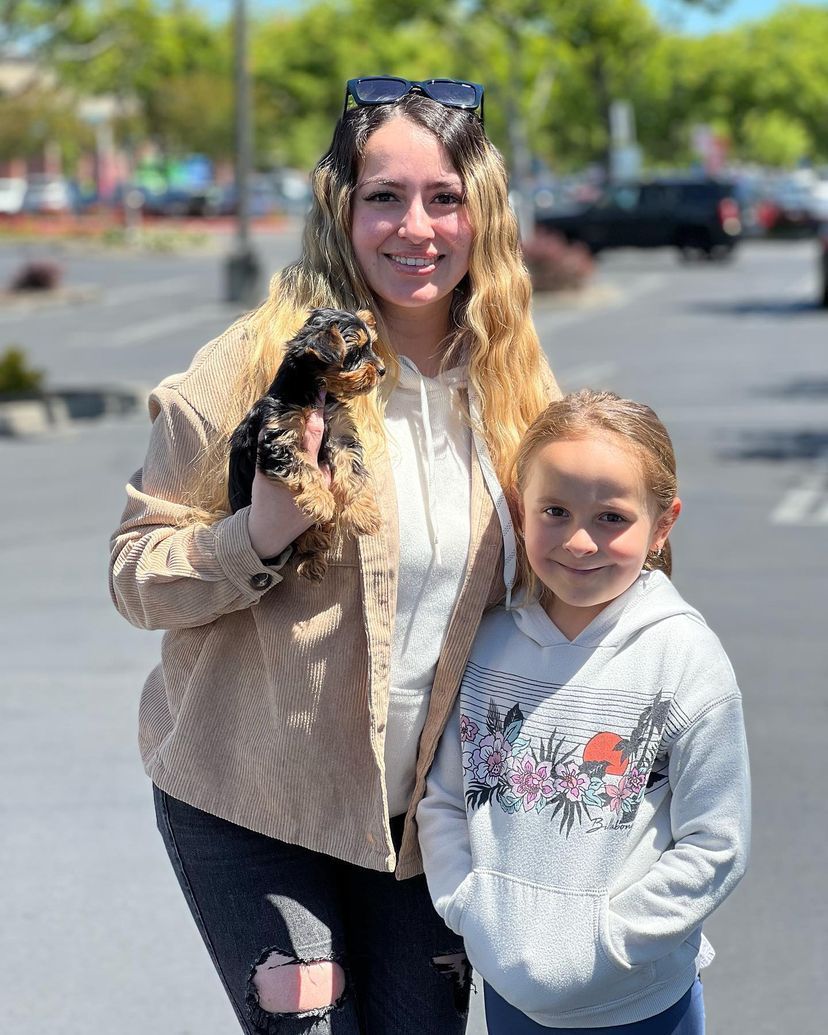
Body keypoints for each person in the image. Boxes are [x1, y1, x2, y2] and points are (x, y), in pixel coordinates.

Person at [108, 75, 560, 1035]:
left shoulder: (513, 384)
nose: (416, 228)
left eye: (445, 198)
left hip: (421, 822)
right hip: (253, 800)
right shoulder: (258, 367)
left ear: (482, 213)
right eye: (384, 196)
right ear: (342, 209)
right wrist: (259, 531)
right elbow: (136, 574)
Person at [417, 390, 751, 1034]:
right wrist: (473, 911)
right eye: (555, 511)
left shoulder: (684, 658)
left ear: (663, 525)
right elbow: (446, 800)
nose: (578, 540)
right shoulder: (486, 643)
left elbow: (715, 844)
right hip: (511, 1000)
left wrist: (608, 944)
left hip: (644, 1004)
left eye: (611, 518)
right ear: (520, 511)